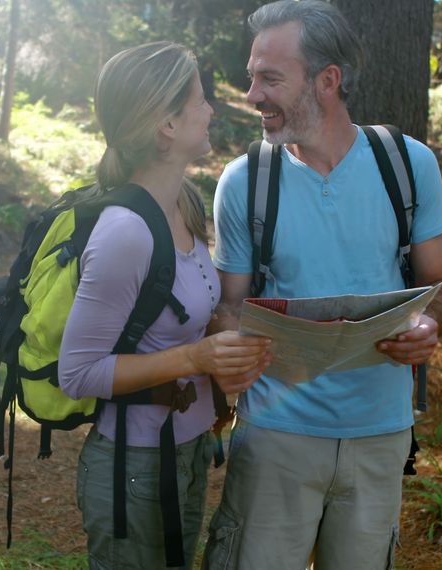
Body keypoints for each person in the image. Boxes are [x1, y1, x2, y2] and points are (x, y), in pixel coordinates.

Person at [202, 2, 442, 569]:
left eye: (270, 78)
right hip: (275, 436)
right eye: (252, 76)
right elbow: (229, 304)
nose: (252, 94)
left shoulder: (409, 165)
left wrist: (429, 323)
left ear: (327, 81)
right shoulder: (245, 180)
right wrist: (231, 344)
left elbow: (440, 285)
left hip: (381, 435)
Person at [58, 41, 272, 569]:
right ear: (167, 126)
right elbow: (78, 373)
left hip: (189, 449)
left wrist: (222, 331)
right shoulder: (124, 233)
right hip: (134, 465)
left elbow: (178, 317)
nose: (211, 110)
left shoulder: (184, 204)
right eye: (199, 99)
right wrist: (195, 360)